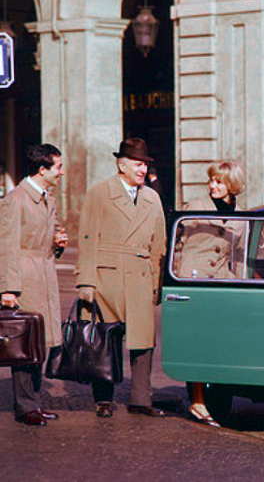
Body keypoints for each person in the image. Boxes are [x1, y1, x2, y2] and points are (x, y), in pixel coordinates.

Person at [75, 138, 166, 418]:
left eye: (145, 164)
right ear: (121, 164)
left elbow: (158, 245)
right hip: (106, 277)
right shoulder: (99, 192)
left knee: (143, 343)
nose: (143, 169)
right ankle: (103, 399)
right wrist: (86, 281)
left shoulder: (152, 197)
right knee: (105, 339)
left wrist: (156, 284)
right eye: (138, 163)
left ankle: (141, 399)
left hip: (139, 276)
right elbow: (88, 238)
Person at [0, 144, 68, 425]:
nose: (62, 172)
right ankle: (25, 406)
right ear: (43, 170)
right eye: (59, 167)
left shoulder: (47, 198)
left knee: (38, 342)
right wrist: (8, 288)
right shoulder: (16, 200)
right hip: (26, 277)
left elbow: (44, 240)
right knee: (24, 342)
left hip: (45, 274)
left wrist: (57, 245)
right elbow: (6, 246)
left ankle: (33, 403)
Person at [179, 160, 245, 426]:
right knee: (198, 340)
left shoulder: (242, 214)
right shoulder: (195, 207)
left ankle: (214, 398)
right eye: (211, 181)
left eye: (219, 181)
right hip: (194, 280)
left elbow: (239, 257)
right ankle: (197, 400)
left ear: (232, 185)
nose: (213, 186)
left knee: (220, 341)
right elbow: (177, 243)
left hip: (221, 282)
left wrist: (241, 285)